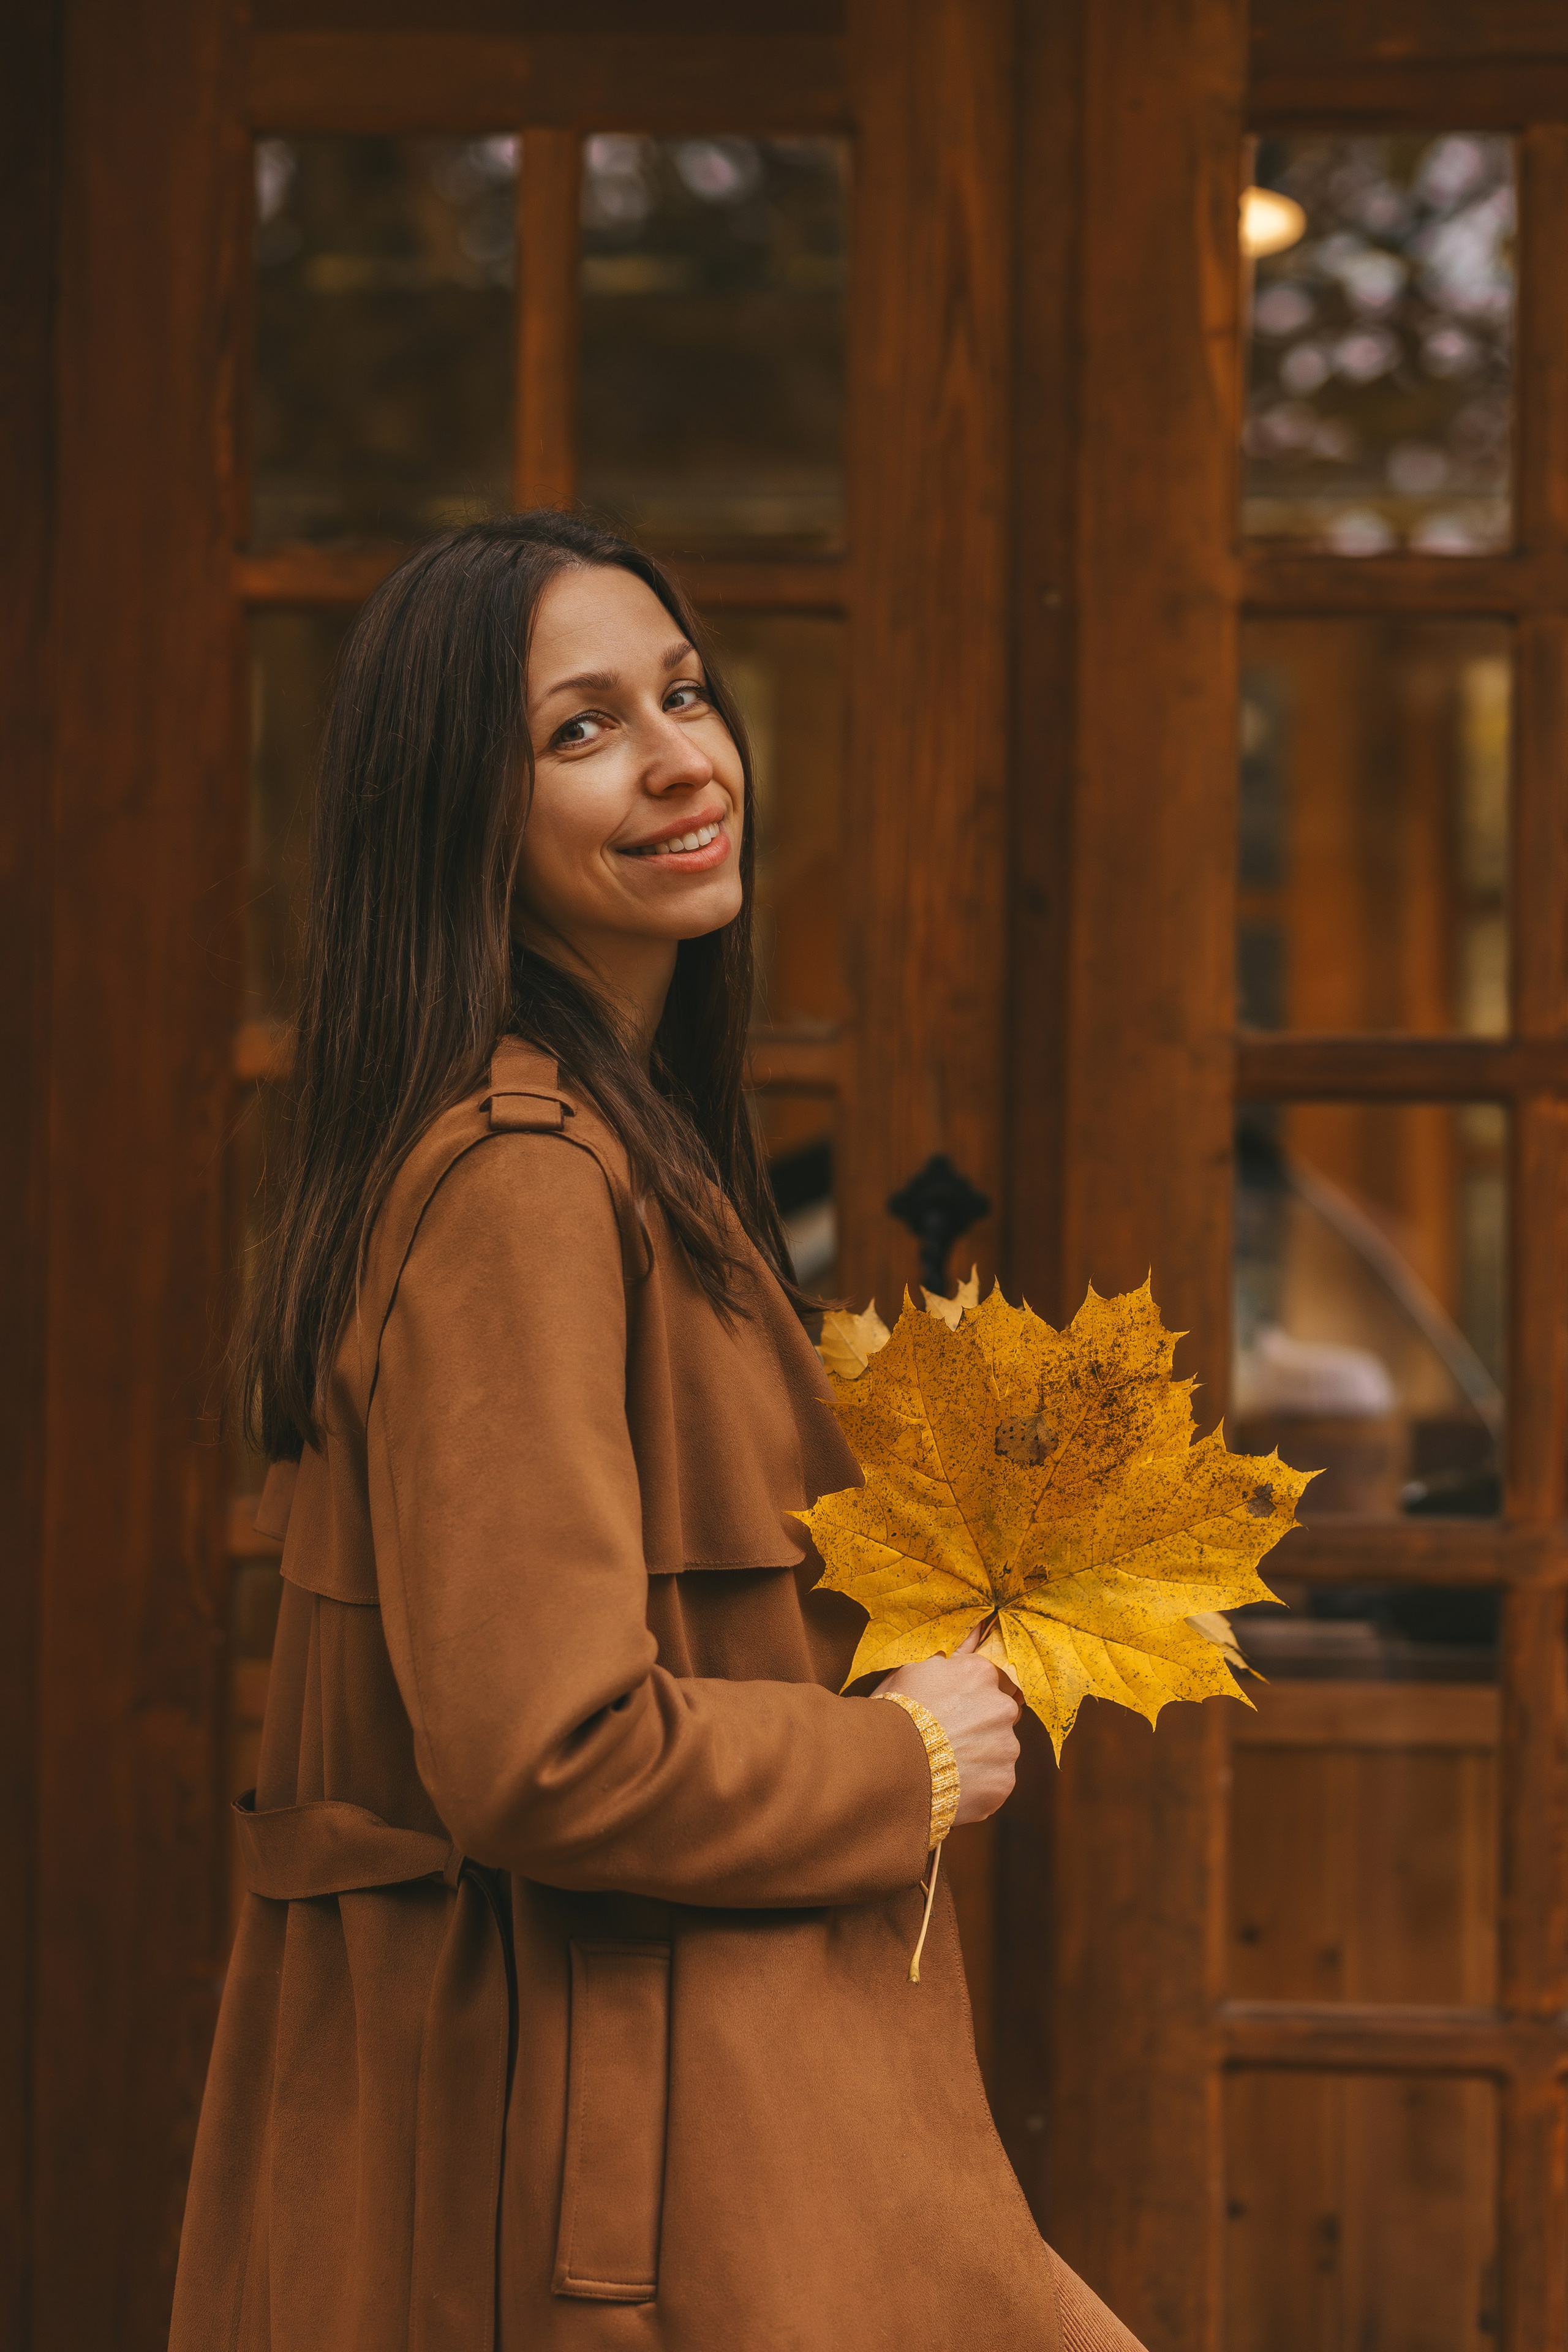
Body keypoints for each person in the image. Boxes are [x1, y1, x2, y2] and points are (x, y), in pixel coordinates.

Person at [170, 511, 1147, 2351]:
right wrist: (907, 1760)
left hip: (678, 2114)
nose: (684, 756)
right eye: (582, 729)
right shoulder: (525, 1183)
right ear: (460, 813)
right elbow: (551, 1753)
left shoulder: (615, 1153)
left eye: (685, 694)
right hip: (614, 2173)